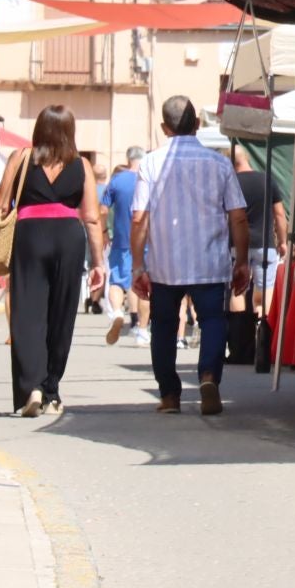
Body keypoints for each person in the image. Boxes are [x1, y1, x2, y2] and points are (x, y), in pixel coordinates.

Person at [129, 97, 250, 416]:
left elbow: (139, 217)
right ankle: (209, 376)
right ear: (197, 125)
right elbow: (238, 216)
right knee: (213, 322)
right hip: (210, 262)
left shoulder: (151, 162)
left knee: (164, 327)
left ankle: (169, 395)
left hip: (165, 264)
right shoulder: (220, 163)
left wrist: (138, 265)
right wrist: (242, 262)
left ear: (164, 128)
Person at [0, 105, 105, 418]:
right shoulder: (82, 165)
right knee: (61, 314)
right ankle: (51, 390)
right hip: (68, 239)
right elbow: (93, 218)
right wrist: (98, 262)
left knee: (27, 313)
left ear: (39, 130)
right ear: (70, 132)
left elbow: (1, 204)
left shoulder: (20, 158)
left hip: (29, 237)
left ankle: (32, 386)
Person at [233, 147, 289, 319]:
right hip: (265, 245)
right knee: (266, 288)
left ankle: (238, 334)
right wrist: (282, 241)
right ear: (246, 158)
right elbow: (280, 214)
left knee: (238, 291)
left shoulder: (231, 182)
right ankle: (263, 331)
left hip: (235, 244)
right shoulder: (267, 180)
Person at [101, 147, 146, 346]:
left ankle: (118, 311)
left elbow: (102, 210)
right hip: (145, 241)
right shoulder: (149, 179)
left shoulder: (117, 180)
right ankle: (142, 331)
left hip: (121, 240)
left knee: (117, 282)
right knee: (145, 285)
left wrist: (103, 232)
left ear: (128, 160)